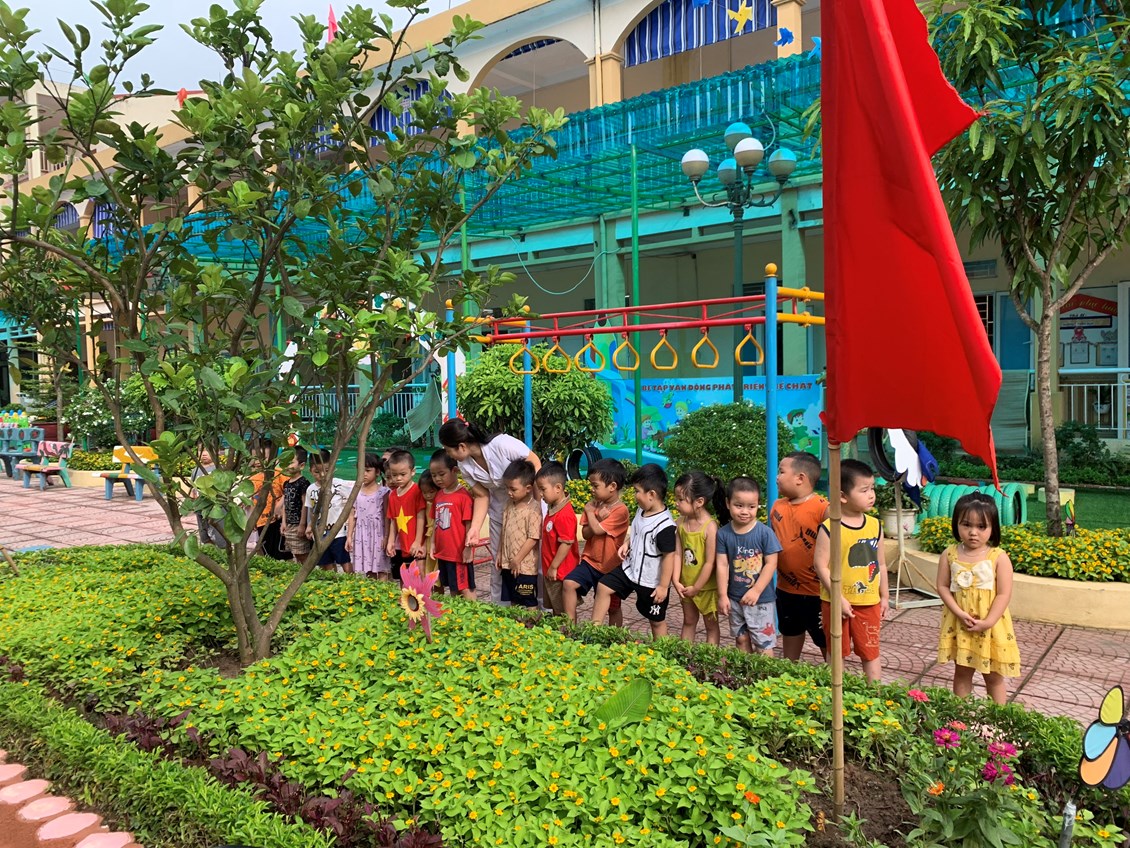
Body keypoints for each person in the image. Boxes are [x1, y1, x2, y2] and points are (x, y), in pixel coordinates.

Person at [438, 419, 541, 605]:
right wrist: (475, 529)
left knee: (536, 560)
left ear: (461, 446)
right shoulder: (464, 465)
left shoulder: (501, 444)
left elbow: (534, 462)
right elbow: (481, 495)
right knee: (499, 563)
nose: (448, 454)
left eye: (448, 449)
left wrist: (536, 506)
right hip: (500, 513)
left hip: (531, 509)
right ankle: (500, 611)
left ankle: (543, 609)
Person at [936, 493, 1020, 704]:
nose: (973, 532)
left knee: (993, 677)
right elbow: (942, 586)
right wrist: (959, 613)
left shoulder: (998, 557)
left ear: (993, 528)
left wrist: (988, 622)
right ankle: (960, 716)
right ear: (956, 524)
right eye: (966, 525)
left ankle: (998, 718)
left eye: (981, 526)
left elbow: (1004, 594)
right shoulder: (950, 554)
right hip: (961, 624)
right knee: (962, 672)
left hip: (991, 627)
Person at [813, 458, 888, 683]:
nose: (871, 495)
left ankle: (875, 694)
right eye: (864, 490)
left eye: (872, 488)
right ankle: (837, 693)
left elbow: (881, 563)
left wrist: (884, 596)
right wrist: (838, 598)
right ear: (842, 496)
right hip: (835, 603)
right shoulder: (830, 528)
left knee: (870, 651)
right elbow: (820, 565)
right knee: (836, 651)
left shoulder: (875, 525)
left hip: (869, 602)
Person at [591, 463, 677, 638]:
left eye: (637, 491)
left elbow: (669, 557)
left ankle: (663, 650)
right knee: (604, 586)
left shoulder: (665, 526)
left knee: (656, 621)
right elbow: (638, 531)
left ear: (651, 494)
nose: (635, 495)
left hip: (650, 580)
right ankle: (593, 632)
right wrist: (628, 543)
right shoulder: (641, 510)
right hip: (629, 569)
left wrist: (663, 586)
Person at [771, 452, 830, 660]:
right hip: (785, 589)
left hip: (818, 593)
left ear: (800, 478)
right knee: (790, 633)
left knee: (826, 641)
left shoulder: (823, 509)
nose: (777, 477)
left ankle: (834, 676)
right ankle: (789, 673)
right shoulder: (777, 506)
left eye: (781, 472)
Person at [716, 476, 781, 655]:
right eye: (739, 505)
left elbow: (771, 563)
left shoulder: (765, 533)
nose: (745, 511)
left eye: (751, 507)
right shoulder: (723, 534)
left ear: (758, 505)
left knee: (763, 643)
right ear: (728, 503)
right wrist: (722, 595)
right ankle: (745, 671)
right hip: (734, 598)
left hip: (761, 600)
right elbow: (722, 564)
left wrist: (756, 590)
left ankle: (765, 674)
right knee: (741, 638)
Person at [563, 459, 629, 625]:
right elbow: (586, 534)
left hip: (610, 566)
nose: (592, 489)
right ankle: (570, 627)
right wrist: (596, 517)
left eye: (595, 485)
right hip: (590, 561)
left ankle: (614, 636)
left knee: (613, 607)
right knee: (569, 583)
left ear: (612, 486)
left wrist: (591, 513)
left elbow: (598, 531)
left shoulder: (620, 510)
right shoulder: (594, 505)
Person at [672, 471, 722, 645]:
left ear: (699, 502)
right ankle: (683, 657)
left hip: (706, 587)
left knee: (711, 625)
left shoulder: (710, 527)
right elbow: (677, 554)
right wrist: (675, 580)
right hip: (686, 586)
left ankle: (710, 659)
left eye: (681, 499)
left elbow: (710, 562)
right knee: (689, 620)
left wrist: (697, 587)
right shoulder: (680, 523)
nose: (676, 503)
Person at [430, 450, 475, 600]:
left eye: (441, 474)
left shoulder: (464, 496)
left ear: (454, 470)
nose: (437, 479)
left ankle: (475, 613)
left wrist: (468, 548)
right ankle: (457, 614)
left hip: (459, 554)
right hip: (443, 552)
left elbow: (469, 524)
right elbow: (435, 522)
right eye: (434, 475)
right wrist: (432, 544)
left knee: (465, 588)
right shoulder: (439, 495)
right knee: (453, 587)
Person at [535, 462, 579, 617]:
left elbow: (566, 543)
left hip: (561, 573)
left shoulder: (564, 514)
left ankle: (569, 631)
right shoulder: (553, 508)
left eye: (543, 489)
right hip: (552, 571)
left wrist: (554, 567)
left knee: (565, 611)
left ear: (558, 488)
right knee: (555, 608)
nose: (541, 494)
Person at [497, 459, 541, 608]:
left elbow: (533, 538)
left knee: (528, 601)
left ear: (528, 488)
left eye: (513, 489)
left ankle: (532, 623)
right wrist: (500, 553)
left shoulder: (534, 509)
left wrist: (517, 559)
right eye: (507, 488)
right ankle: (516, 624)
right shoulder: (509, 505)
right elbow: (504, 530)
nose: (509, 492)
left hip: (525, 567)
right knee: (513, 599)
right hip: (508, 564)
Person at [304, 449, 353, 573]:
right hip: (320, 534)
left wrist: (349, 534)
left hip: (338, 533)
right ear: (310, 471)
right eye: (317, 472)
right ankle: (332, 582)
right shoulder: (311, 489)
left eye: (326, 470)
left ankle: (352, 582)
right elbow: (312, 510)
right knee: (325, 563)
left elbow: (351, 506)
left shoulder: (339, 485)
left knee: (344, 562)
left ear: (332, 468)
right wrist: (310, 526)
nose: (322, 475)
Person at [346, 453, 391, 579]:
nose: (363, 474)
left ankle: (383, 590)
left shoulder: (383, 492)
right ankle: (371, 590)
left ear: (377, 472)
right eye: (360, 470)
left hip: (378, 534)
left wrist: (386, 537)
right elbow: (352, 515)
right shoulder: (356, 491)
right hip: (362, 534)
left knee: (381, 569)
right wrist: (349, 536)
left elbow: (387, 516)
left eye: (367, 470)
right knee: (368, 568)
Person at [385, 449, 426, 580]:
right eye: (394, 474)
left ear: (412, 471)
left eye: (403, 474)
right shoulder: (392, 495)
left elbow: (421, 517)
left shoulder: (417, 491)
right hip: (401, 545)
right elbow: (393, 520)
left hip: (416, 545)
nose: (398, 478)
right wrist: (391, 541)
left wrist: (418, 541)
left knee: (419, 578)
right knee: (403, 579)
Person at [280, 446, 312, 563]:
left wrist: (302, 524)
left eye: (291, 462)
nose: (287, 466)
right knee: (295, 552)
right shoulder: (286, 483)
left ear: (301, 465)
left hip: (298, 523)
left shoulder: (303, 483)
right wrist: (283, 522)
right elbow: (285, 504)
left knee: (302, 553)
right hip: (289, 523)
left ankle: (307, 571)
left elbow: (305, 504)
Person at [418, 470, 441, 585]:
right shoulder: (426, 504)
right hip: (428, 541)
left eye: (431, 492)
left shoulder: (441, 503)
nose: (428, 495)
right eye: (424, 492)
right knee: (430, 574)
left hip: (439, 540)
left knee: (439, 574)